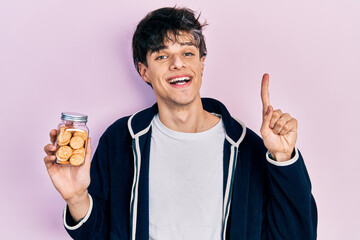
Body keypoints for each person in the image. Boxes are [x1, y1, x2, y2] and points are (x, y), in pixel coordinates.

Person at [44, 7, 317, 240]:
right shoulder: (120, 140)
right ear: (144, 71)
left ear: (201, 64)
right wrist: (77, 198)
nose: (177, 64)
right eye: (162, 56)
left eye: (187, 53)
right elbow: (99, 234)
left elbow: (297, 234)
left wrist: (283, 159)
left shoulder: (247, 147)